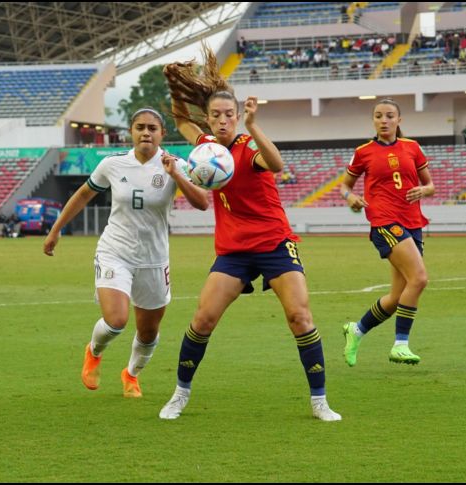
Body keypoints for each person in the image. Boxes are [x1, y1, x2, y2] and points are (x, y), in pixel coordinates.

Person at [159, 46, 341, 421]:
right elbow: (179, 119)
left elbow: (275, 163)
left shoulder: (247, 148)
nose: (223, 121)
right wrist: (174, 82)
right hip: (234, 250)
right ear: (208, 119)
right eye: (216, 115)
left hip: (275, 242)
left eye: (230, 115)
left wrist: (255, 127)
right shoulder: (206, 149)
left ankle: (320, 400)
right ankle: (179, 394)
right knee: (203, 319)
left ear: (238, 116)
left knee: (300, 317)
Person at [43, 108, 209, 398]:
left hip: (154, 258)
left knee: (148, 332)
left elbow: (202, 202)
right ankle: (94, 352)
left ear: (162, 134)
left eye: (152, 128)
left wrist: (176, 176)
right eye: (140, 127)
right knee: (116, 319)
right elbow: (83, 194)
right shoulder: (113, 164)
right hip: (115, 251)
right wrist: (56, 229)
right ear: (131, 132)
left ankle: (131, 374)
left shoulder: (176, 165)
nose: (146, 133)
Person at [340, 98, 435, 367]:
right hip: (384, 222)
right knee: (419, 278)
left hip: (413, 222)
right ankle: (400, 344)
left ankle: (355, 330)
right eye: (379, 116)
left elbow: (430, 185)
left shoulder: (412, 148)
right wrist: (350, 198)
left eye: (389, 116)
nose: (384, 120)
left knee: (396, 297)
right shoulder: (364, 152)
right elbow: (345, 186)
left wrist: (423, 190)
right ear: (373, 120)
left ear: (398, 120)